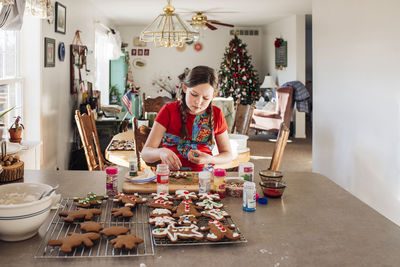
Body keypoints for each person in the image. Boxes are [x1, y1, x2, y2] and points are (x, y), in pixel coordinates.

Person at [141, 66, 232, 171]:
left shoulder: (216, 114)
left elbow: (228, 155)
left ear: (213, 96)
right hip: (171, 176)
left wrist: (211, 159)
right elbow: (145, 154)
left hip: (205, 177)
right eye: (194, 94)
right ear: (185, 88)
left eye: (206, 98)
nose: (198, 102)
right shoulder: (168, 111)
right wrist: (161, 152)